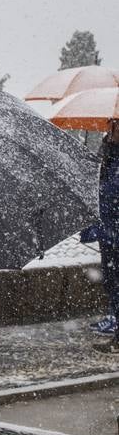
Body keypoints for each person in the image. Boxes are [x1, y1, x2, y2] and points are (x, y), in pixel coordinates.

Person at [87, 117, 119, 351]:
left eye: (116, 124)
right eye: (111, 123)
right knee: (111, 279)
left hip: (114, 230)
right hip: (109, 231)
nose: (111, 128)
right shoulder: (108, 151)